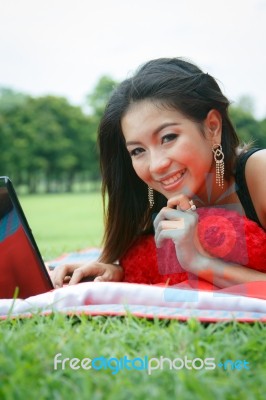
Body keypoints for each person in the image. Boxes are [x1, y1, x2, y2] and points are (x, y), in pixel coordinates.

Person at [52, 57, 266, 289]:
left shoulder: (260, 173)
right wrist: (117, 272)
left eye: (168, 137)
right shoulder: (157, 202)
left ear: (212, 126)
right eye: (137, 151)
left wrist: (200, 262)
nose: (156, 166)